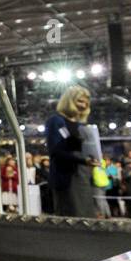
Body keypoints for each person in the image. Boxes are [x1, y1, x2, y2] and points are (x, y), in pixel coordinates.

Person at [45, 86, 99, 217]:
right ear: (69, 101)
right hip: (66, 177)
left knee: (86, 215)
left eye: (86, 102)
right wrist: (83, 160)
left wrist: (91, 159)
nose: (84, 105)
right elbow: (55, 150)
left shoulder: (82, 125)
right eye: (80, 101)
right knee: (70, 216)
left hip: (83, 175)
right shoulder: (56, 121)